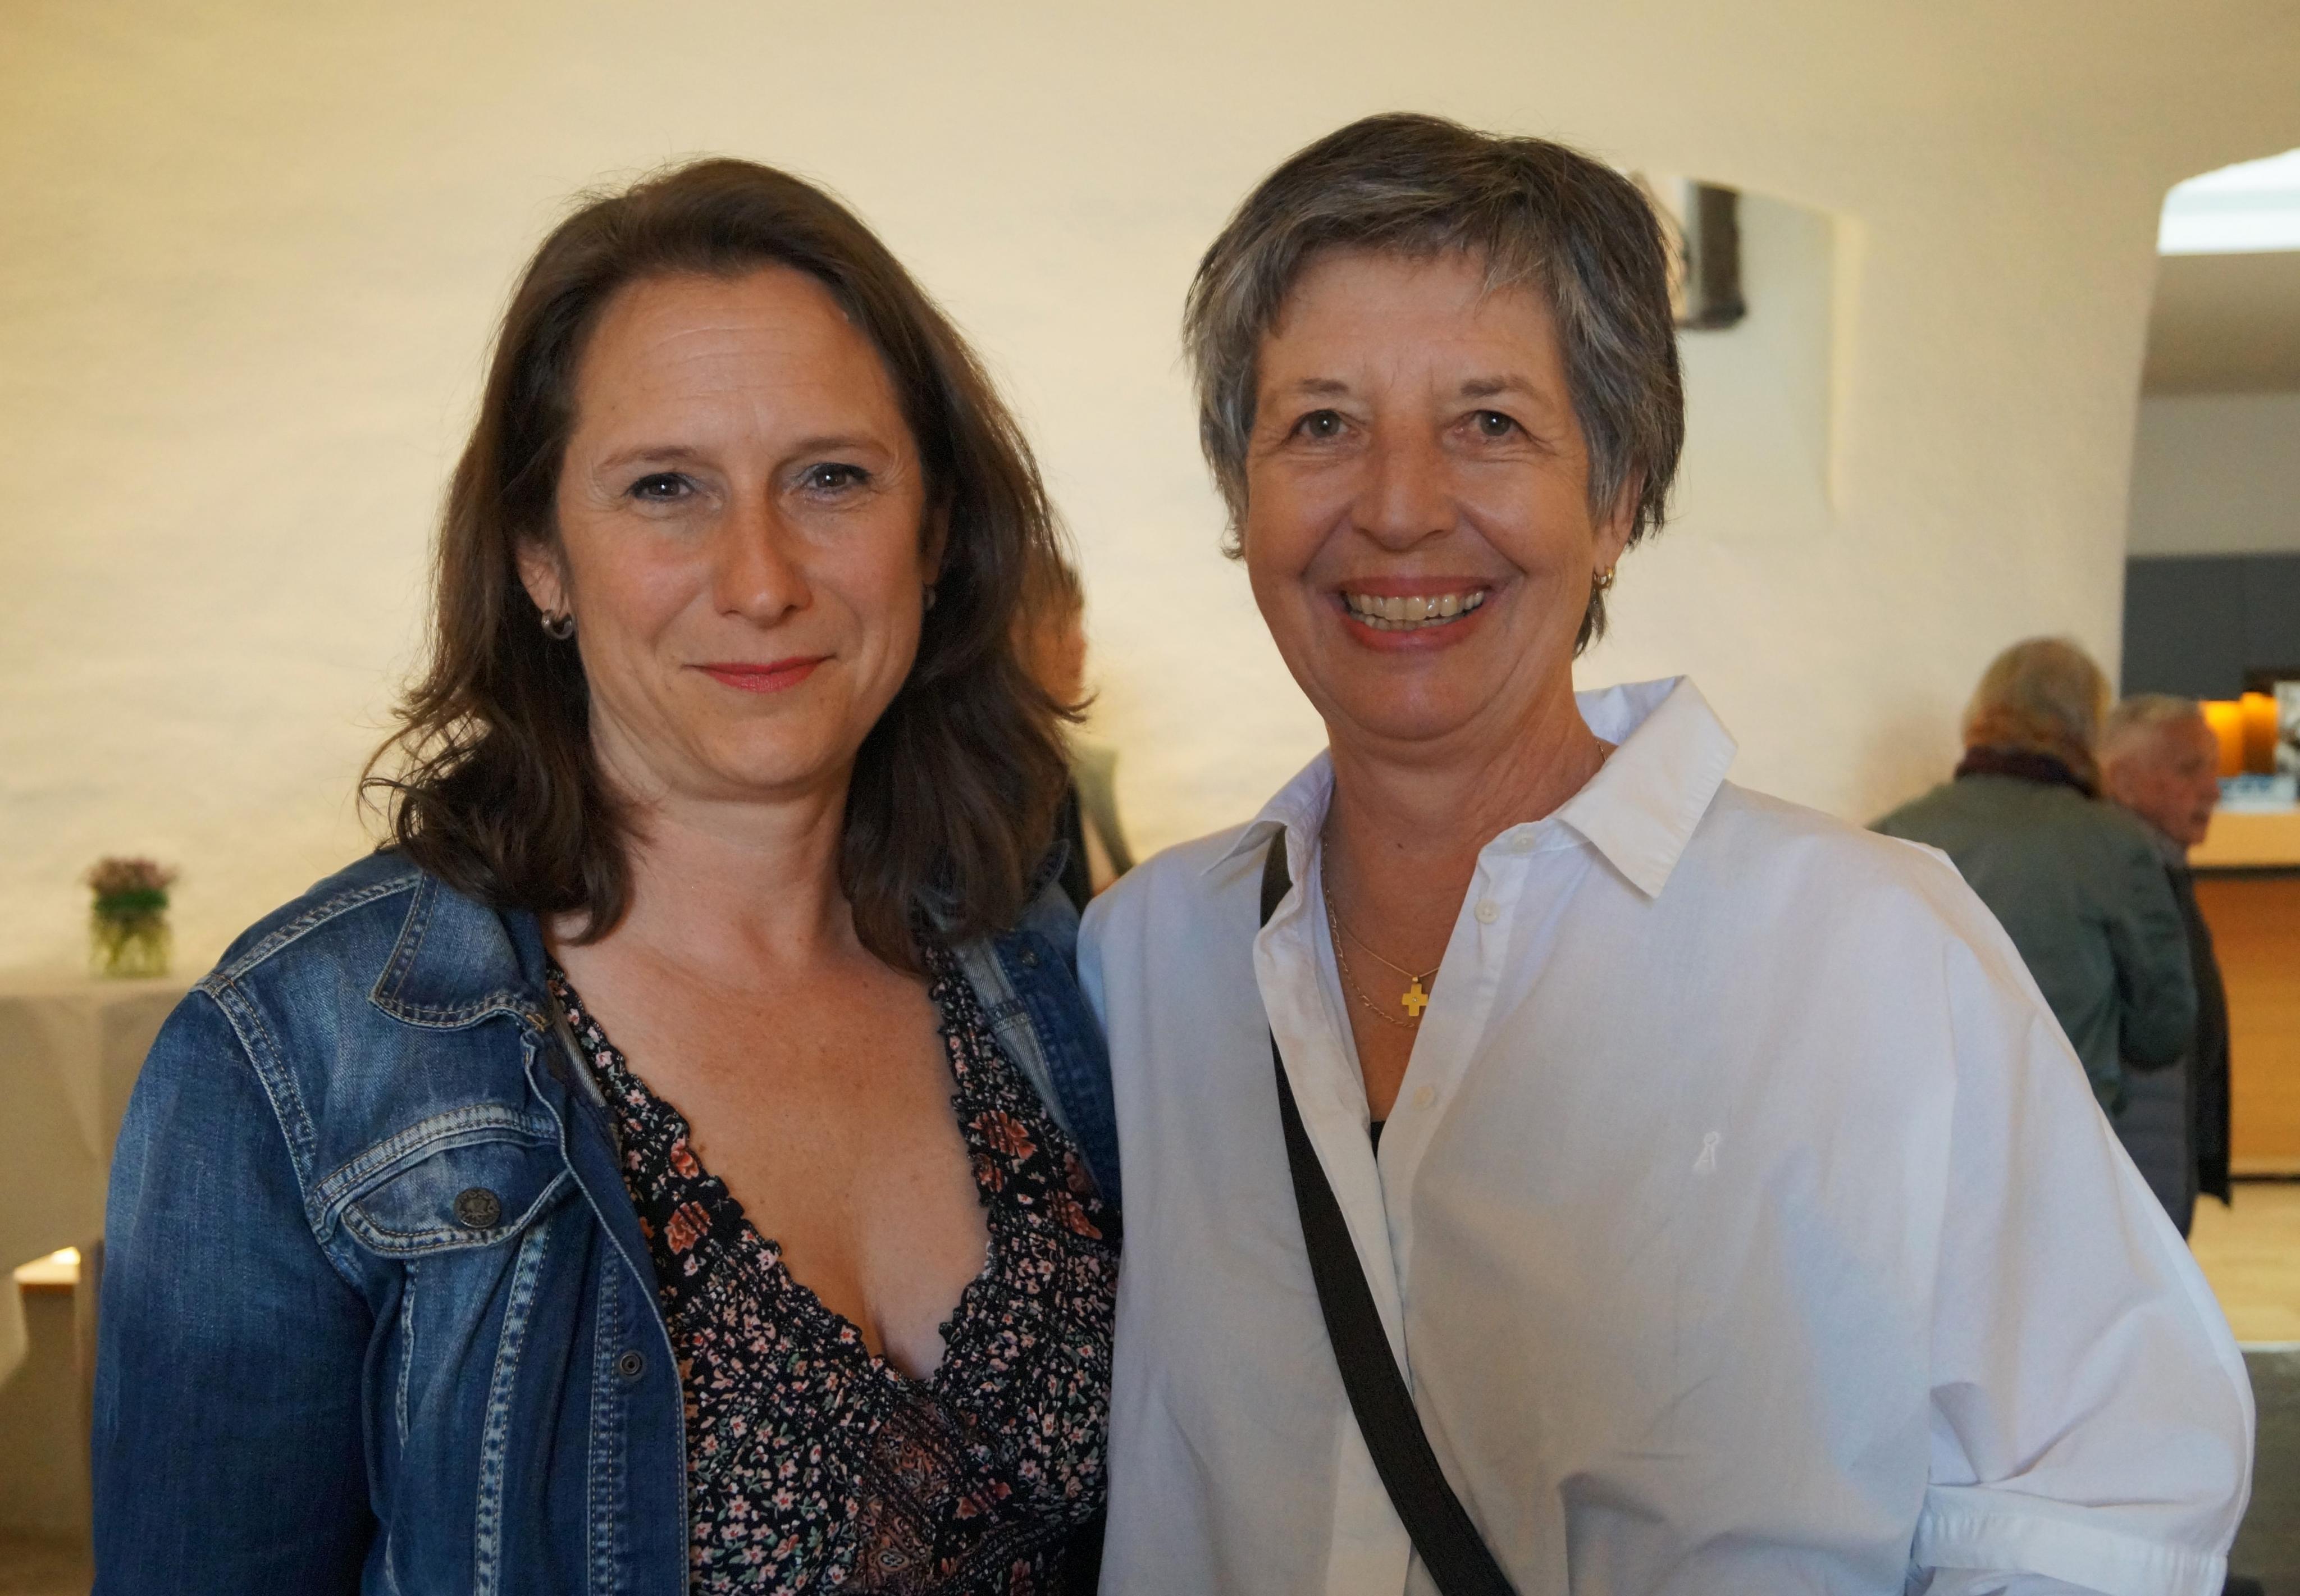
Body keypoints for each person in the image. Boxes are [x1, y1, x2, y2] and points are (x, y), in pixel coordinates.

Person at [1081, 113, 2252, 1595]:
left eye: (1489, 422)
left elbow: (2106, 1502)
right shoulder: (1146, 962)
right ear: (1239, 494)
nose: (1396, 505)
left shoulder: (1868, 950)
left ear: (1618, 497)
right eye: (1319, 424)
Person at [93, 159, 1119, 1595]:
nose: (760, 578)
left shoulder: (1047, 970)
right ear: (540, 559)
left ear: (937, 531)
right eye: (665, 488)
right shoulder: (294, 1059)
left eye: (831, 477)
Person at [1875, 640, 2197, 1121]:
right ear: (2089, 727)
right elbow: (2162, 1031)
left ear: (1979, 714)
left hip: (1923, 1133)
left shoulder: (1890, 834)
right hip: (2059, 1134)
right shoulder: (2112, 845)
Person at [2101, 693, 2234, 1235]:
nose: (2213, 790)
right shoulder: (2123, 880)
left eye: (2213, 770)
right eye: (2189, 769)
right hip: (2135, 1158)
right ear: (2123, 781)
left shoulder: (2163, 868)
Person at [1015, 549, 1137, 911]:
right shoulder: (993, 783)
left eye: (1078, 623)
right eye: (1059, 627)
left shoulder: (1083, 770)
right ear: (1009, 640)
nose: (1080, 644)